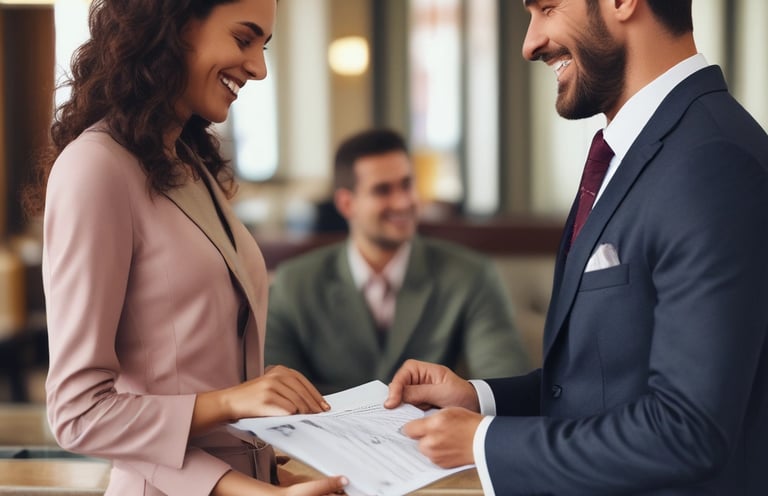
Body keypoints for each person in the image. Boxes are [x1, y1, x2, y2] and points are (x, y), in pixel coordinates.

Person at [384, 0, 768, 494]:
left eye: (547, 8)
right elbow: (609, 384)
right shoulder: (637, 149)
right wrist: (480, 400)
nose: (529, 44)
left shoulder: (711, 161)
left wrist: (484, 442)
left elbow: (686, 430)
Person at [26, 1, 348, 495]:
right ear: (173, 25)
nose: (259, 69)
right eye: (243, 39)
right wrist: (234, 403)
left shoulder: (187, 165)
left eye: (264, 47)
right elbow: (79, 414)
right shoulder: (96, 167)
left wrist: (268, 475)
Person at [265, 128, 530, 394]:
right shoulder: (293, 283)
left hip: (433, 421)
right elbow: (277, 389)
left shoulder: (471, 275)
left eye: (407, 185)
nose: (403, 202)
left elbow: (505, 384)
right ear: (346, 204)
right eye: (382, 190)